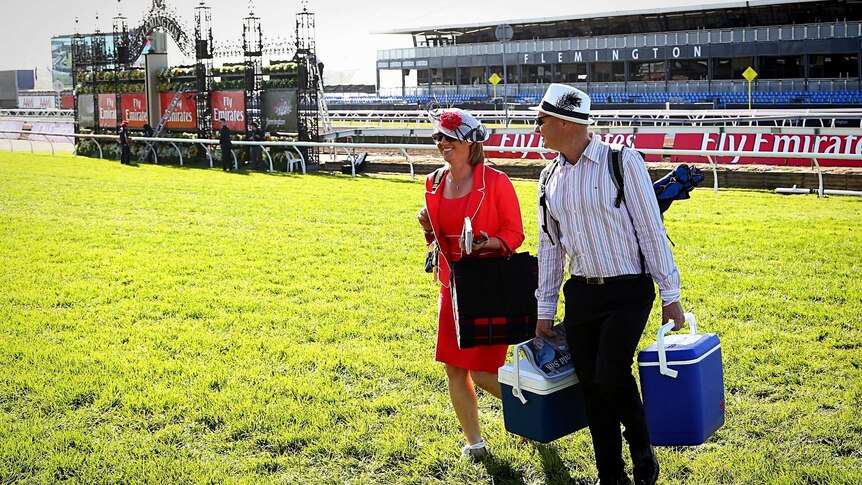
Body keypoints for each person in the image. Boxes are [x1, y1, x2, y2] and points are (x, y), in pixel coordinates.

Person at [532, 84, 686, 485]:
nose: (537, 129)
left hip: (628, 290)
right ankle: (610, 475)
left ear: (565, 122)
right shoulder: (548, 176)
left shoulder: (622, 161)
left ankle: (642, 449)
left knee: (609, 374)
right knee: (591, 387)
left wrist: (671, 296)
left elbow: (651, 230)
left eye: (541, 120)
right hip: (582, 293)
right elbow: (550, 247)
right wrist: (544, 309)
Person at [416, 108, 524, 461]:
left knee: (482, 372)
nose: (441, 143)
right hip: (452, 288)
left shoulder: (496, 181)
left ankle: (533, 408)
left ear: (470, 143)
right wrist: (428, 229)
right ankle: (475, 443)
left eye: (449, 137)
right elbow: (439, 241)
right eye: (437, 137)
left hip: (489, 287)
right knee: (454, 368)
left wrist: (487, 243)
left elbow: (514, 233)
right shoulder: (432, 182)